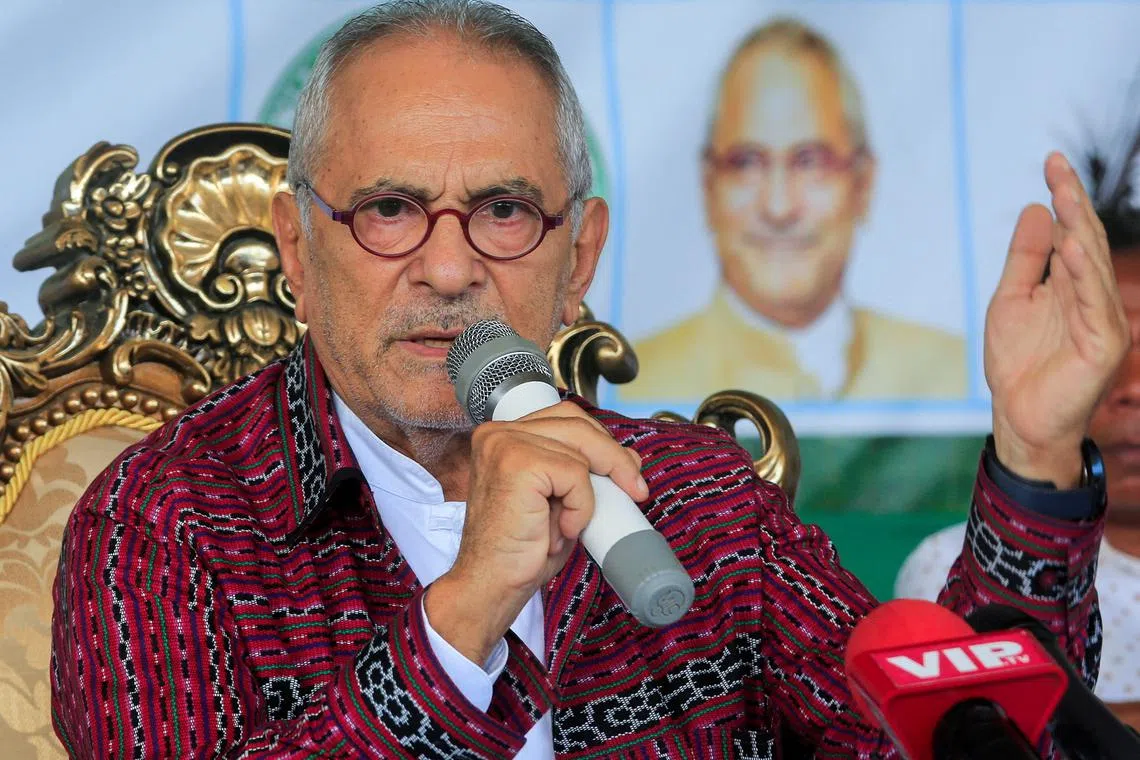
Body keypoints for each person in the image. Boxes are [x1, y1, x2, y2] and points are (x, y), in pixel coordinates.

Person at [49, 2, 1124, 757]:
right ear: (295, 246)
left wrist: (1032, 460)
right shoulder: (166, 523)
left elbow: (934, 737)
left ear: (580, 257)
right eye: (389, 209)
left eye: (504, 210)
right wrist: (464, 617)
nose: (450, 268)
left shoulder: (697, 501)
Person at [895, 131, 1140, 728]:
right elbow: (972, 731)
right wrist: (1037, 452)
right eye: (1110, 353)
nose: (1132, 387)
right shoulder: (958, 567)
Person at [625, 18, 967, 402]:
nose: (779, 208)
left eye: (810, 162)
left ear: (863, 184)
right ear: (708, 187)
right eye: (747, 163)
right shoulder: (630, 388)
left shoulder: (956, 375)